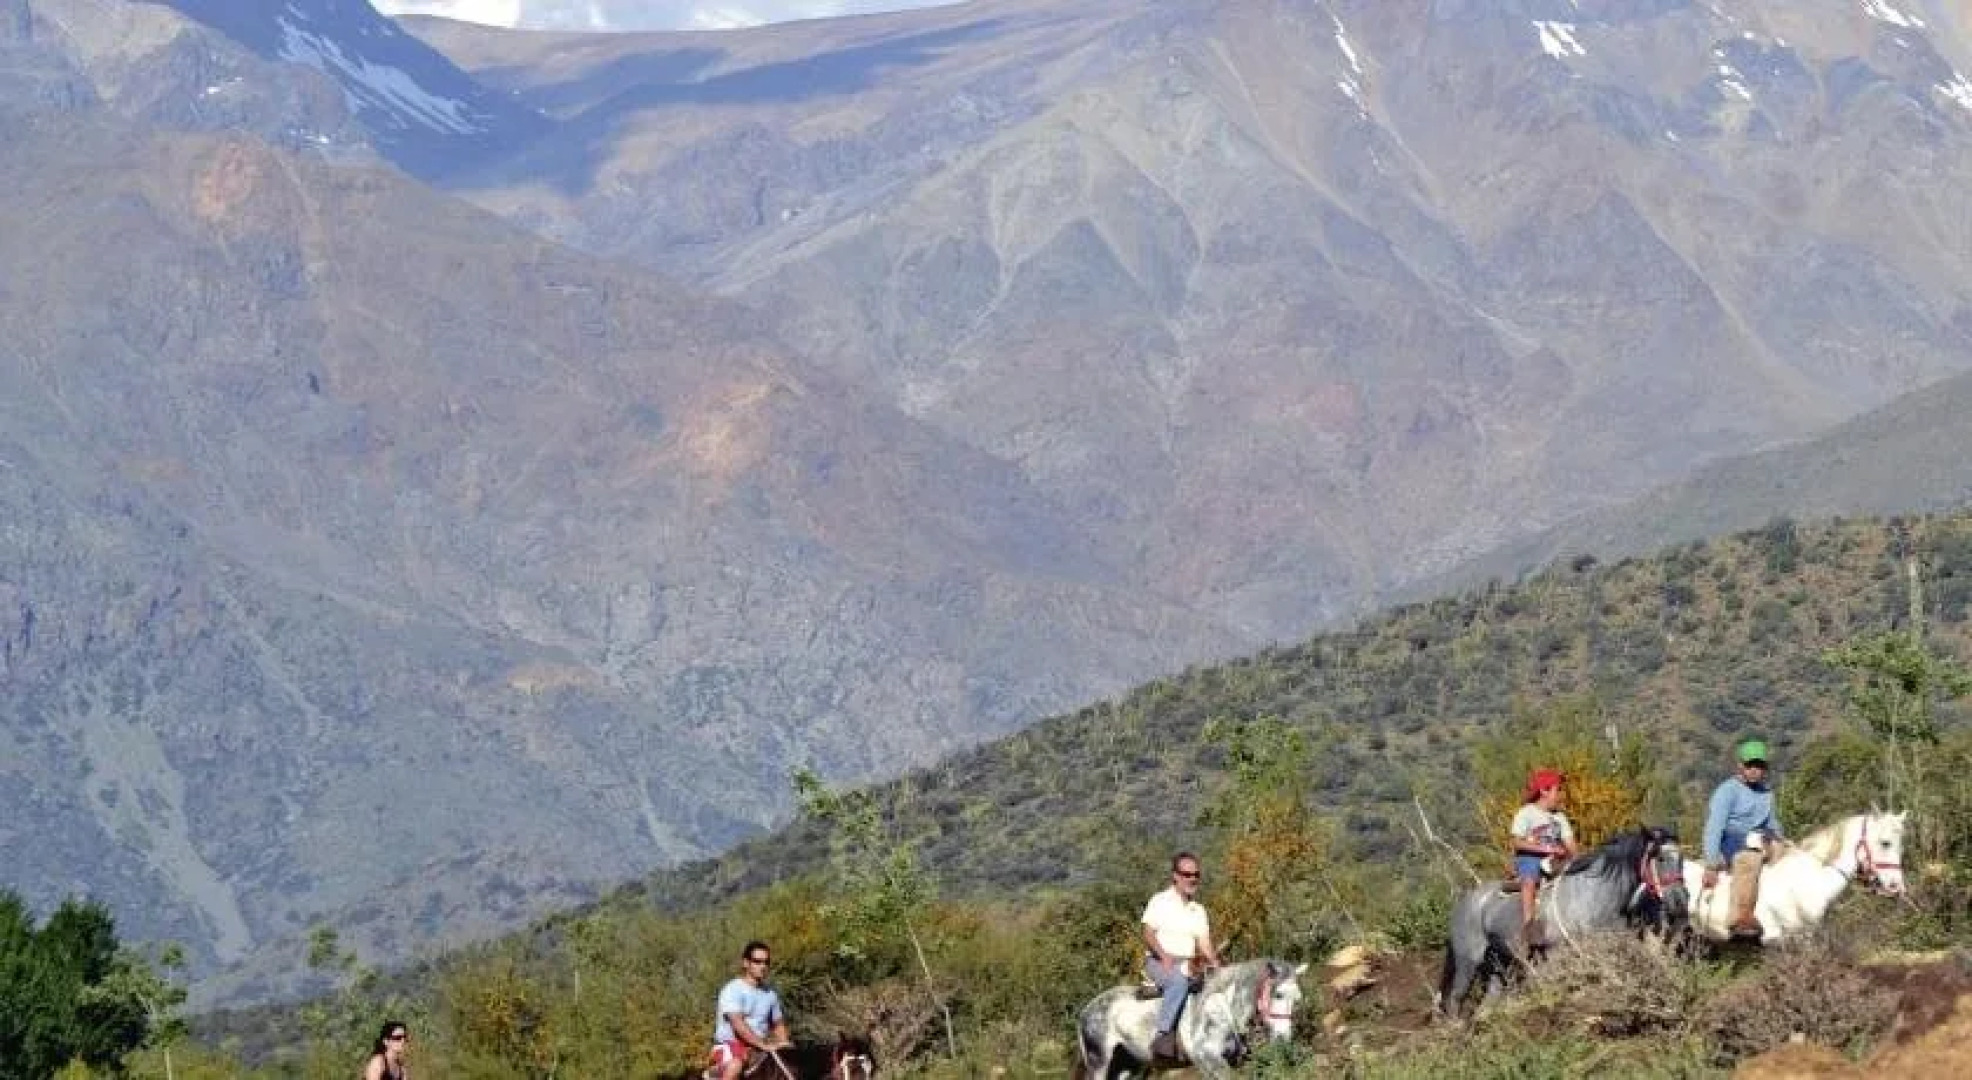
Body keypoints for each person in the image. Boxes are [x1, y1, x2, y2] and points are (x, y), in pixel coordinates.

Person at [1141, 851, 1221, 1062]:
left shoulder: (1198, 910)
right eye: (1186, 874)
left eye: (1196, 874)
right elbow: (1148, 933)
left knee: (1215, 986)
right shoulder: (1160, 901)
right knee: (1178, 982)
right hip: (1159, 961)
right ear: (1175, 876)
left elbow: (1204, 942)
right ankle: (1163, 1036)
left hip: (1188, 963)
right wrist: (1164, 956)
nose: (1192, 879)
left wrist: (1215, 963)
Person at [1703, 738, 1784, 940]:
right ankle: (1740, 917)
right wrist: (1711, 863)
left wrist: (1780, 839)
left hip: (1759, 838)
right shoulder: (1727, 791)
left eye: (1760, 765)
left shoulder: (1767, 794)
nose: (1755, 770)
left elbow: (1773, 823)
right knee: (1749, 859)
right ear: (1740, 766)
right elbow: (1714, 827)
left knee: (1788, 857)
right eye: (1750, 765)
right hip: (1731, 840)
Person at [1510, 769, 1577, 953]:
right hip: (1530, 858)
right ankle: (1529, 927)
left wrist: (1576, 859)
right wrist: (1546, 849)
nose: (1561, 794)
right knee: (1530, 881)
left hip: (1555, 860)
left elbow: (1570, 844)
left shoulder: (1560, 817)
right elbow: (1516, 841)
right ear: (1544, 791)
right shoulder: (1527, 813)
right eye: (1558, 789)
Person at [708, 940, 791, 1080]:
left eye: (766, 962)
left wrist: (785, 1045)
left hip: (760, 1049)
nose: (763, 966)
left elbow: (778, 1025)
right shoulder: (732, 990)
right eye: (757, 961)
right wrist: (763, 1045)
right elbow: (738, 1025)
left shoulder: (770, 994)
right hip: (730, 1047)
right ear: (746, 963)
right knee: (736, 1065)